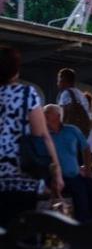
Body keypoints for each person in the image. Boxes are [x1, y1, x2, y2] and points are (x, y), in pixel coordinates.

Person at [0, 48, 63, 228]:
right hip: (22, 172)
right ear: (16, 70)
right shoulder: (26, 94)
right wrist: (56, 171)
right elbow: (42, 135)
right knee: (22, 232)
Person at [44, 104, 92, 221]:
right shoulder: (44, 135)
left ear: (58, 116)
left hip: (73, 176)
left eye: (47, 113)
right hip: (54, 178)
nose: (44, 115)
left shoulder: (72, 130)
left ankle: (90, 222)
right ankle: (79, 225)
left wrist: (88, 170)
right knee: (80, 196)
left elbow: (86, 149)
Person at [56, 67, 92, 137]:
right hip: (82, 133)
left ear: (63, 80)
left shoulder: (66, 93)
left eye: (58, 80)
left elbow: (64, 115)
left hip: (70, 133)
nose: (57, 83)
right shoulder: (82, 95)